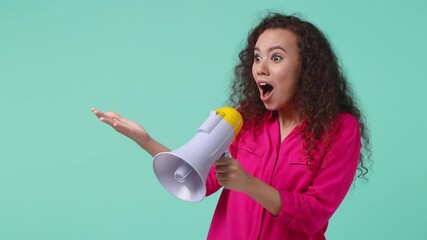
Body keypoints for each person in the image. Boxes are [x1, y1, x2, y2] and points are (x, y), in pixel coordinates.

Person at [92, 12, 371, 240]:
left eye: (276, 58)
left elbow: (314, 214)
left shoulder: (341, 128)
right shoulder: (245, 118)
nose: (261, 68)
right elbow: (199, 176)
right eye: (257, 57)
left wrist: (247, 183)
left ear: (306, 69)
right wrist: (145, 140)